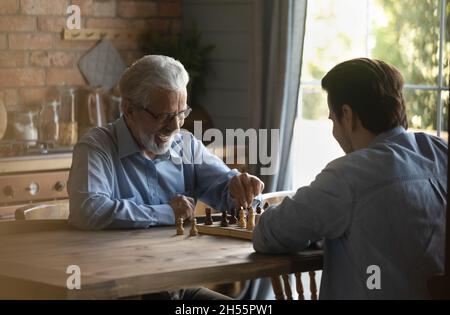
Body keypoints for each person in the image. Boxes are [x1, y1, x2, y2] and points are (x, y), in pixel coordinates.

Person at [68, 55, 264, 299]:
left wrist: (240, 189)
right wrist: (166, 212)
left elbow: (225, 188)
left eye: (181, 114)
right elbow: (87, 210)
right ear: (128, 109)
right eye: (163, 116)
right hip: (119, 291)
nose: (175, 127)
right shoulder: (97, 146)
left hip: (177, 287)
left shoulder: (186, 145)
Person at [253, 58, 447, 299]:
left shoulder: (348, 174)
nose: (334, 130)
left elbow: (268, 234)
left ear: (347, 114)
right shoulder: (440, 151)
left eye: (333, 119)